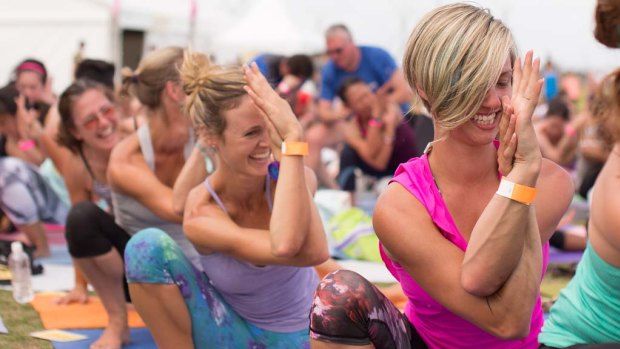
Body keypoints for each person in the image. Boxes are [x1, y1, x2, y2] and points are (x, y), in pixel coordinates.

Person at [309, 3, 573, 348]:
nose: (492, 101)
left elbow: (515, 317)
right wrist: (520, 178)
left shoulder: (550, 182)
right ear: (425, 88)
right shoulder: (400, 205)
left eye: (503, 82)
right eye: (473, 83)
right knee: (339, 293)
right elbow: (503, 318)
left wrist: (522, 176)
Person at [123, 51, 328, 348]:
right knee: (144, 247)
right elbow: (290, 248)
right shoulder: (201, 213)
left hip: (310, 337)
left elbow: (317, 254)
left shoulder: (290, 176)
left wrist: (287, 147)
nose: (265, 143)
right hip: (237, 336)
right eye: (250, 133)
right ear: (209, 136)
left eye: (269, 127)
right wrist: (292, 139)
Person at [538, 1, 620, 345]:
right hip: (581, 340)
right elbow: (558, 158)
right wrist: (570, 133)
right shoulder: (541, 132)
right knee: (555, 231)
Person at [108, 46, 200, 269]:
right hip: (145, 271)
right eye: (198, 85)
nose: (206, 94)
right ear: (175, 91)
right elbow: (181, 211)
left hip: (200, 261)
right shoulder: (127, 158)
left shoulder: (196, 138)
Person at [306, 24, 413, 188]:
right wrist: (348, 114)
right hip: (361, 121)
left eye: (338, 50)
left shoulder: (376, 56)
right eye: (329, 52)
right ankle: (326, 190)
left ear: (351, 43)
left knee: (382, 128)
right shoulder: (330, 70)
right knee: (316, 138)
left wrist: (379, 111)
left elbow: (405, 92)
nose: (334, 56)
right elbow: (324, 111)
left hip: (388, 117)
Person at [0, 84, 68, 258]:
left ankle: (41, 247)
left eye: (3, 122)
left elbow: (45, 166)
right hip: (49, 211)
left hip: (64, 207)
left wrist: (27, 136)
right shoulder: (10, 142)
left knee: (7, 172)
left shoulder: (45, 124)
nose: (2, 129)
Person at [335, 76, 417, 197]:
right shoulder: (351, 126)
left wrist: (384, 126)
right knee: (347, 153)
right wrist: (377, 120)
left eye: (367, 94)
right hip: (378, 172)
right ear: (349, 107)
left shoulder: (388, 109)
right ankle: (348, 198)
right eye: (359, 100)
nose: (367, 101)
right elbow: (375, 158)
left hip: (406, 168)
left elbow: (380, 162)